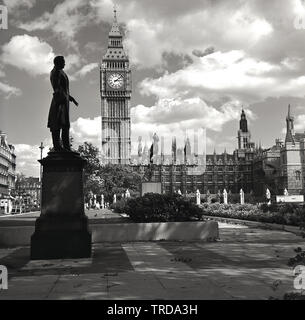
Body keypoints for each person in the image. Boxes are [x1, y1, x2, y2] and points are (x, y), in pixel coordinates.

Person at [48, 56, 78, 151]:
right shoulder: (56, 72)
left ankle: (66, 146)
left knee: (65, 124)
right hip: (59, 101)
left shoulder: (61, 72)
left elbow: (63, 89)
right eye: (63, 62)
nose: (65, 64)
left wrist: (70, 97)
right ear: (58, 63)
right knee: (57, 123)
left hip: (64, 101)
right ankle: (57, 146)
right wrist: (62, 98)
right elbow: (56, 87)